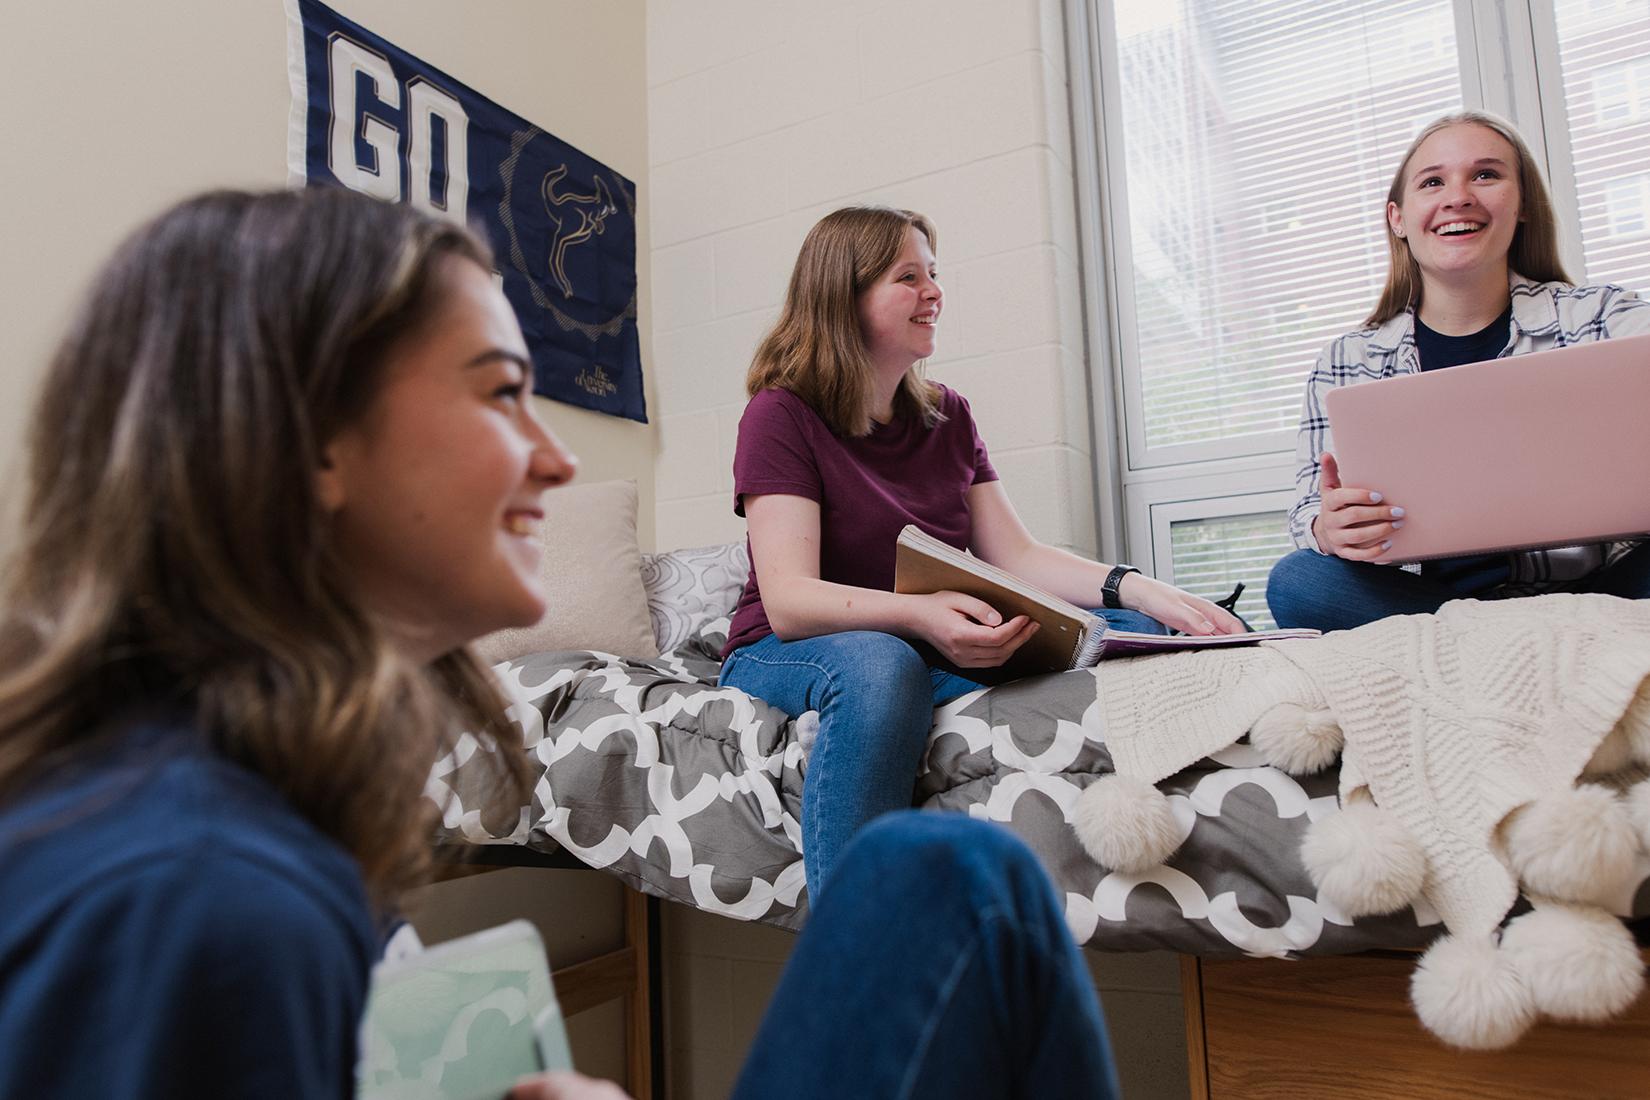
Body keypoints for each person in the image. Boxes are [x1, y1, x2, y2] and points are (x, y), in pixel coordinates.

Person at [0, 188, 1119, 1100]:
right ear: (313, 440)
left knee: (951, 870)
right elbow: (789, 598)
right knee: (960, 876)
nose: (555, 458)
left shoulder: (256, 823)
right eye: (501, 394)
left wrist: (1123, 591)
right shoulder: (191, 894)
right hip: (826, 646)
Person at [718, 205, 1245, 898]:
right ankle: (854, 933)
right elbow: (791, 601)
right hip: (790, 648)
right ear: (844, 295)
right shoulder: (781, 414)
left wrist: (1139, 588)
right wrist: (923, 615)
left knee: (1130, 631)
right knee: (882, 666)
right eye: (909, 277)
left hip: (920, 643)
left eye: (934, 274)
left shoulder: (949, 414)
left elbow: (1015, 555)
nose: (935, 292)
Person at [1267, 110, 1650, 633]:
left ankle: (1502, 643)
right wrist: (1328, 528)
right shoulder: (1345, 360)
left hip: (1598, 586)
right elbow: (1309, 509)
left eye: (1486, 175)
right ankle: (1536, 639)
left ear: (1522, 206)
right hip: (1428, 601)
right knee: (1298, 580)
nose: (1459, 197)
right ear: (1398, 219)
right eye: (1433, 182)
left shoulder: (1602, 316)